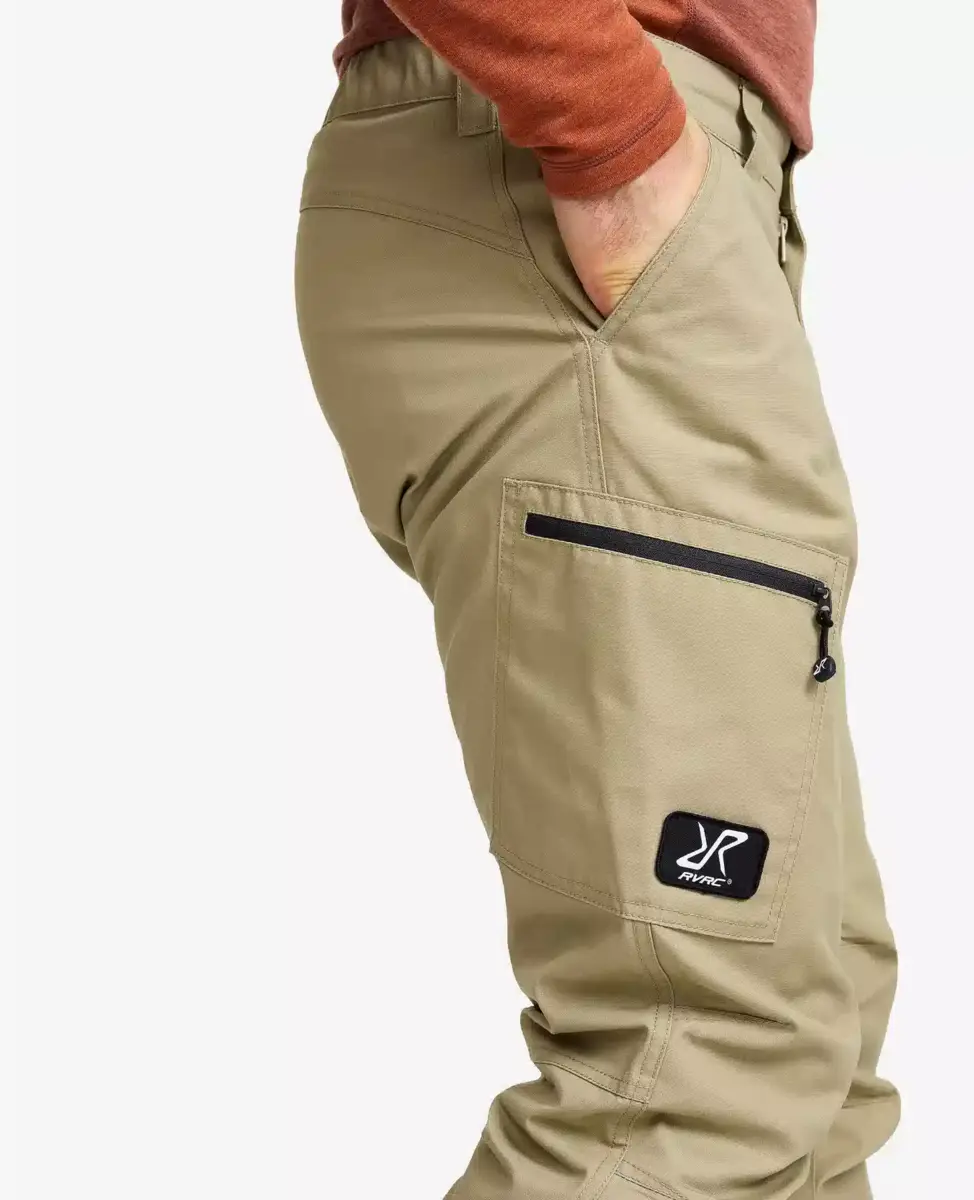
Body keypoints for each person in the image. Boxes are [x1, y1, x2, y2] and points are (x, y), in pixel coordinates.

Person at [295, 3, 900, 1195]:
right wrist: (617, 134)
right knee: (701, 1065)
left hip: (619, 184)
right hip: (570, 167)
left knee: (809, 1040)